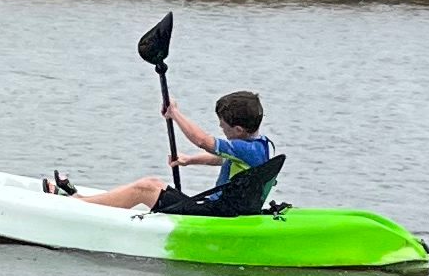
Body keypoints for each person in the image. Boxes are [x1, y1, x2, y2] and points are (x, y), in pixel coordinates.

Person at [48, 87, 277, 211]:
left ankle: (74, 206)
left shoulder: (246, 149)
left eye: (223, 125)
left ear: (238, 129)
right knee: (152, 183)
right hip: (220, 208)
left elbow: (202, 140)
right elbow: (220, 158)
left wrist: (174, 114)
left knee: (146, 187)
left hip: (216, 213)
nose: (220, 127)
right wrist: (190, 160)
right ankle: (82, 199)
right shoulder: (261, 145)